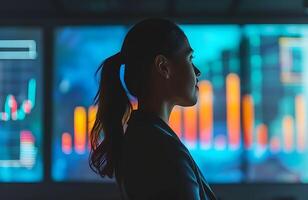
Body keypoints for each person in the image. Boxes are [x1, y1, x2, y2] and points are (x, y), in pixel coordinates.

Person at [89, 18, 217, 200]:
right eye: (190, 58)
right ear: (163, 67)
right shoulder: (164, 152)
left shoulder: (145, 138)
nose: (197, 71)